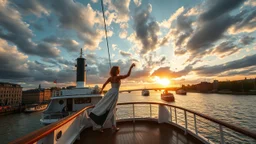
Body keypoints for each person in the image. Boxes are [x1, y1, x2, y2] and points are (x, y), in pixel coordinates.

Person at [89, 63, 136, 132]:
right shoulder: (118, 77)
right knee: (110, 110)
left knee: (106, 108)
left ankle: (106, 125)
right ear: (115, 71)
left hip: (110, 93)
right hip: (114, 94)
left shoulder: (110, 78)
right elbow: (128, 75)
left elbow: (104, 84)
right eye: (117, 70)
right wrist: (131, 67)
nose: (118, 71)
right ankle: (107, 125)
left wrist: (101, 90)